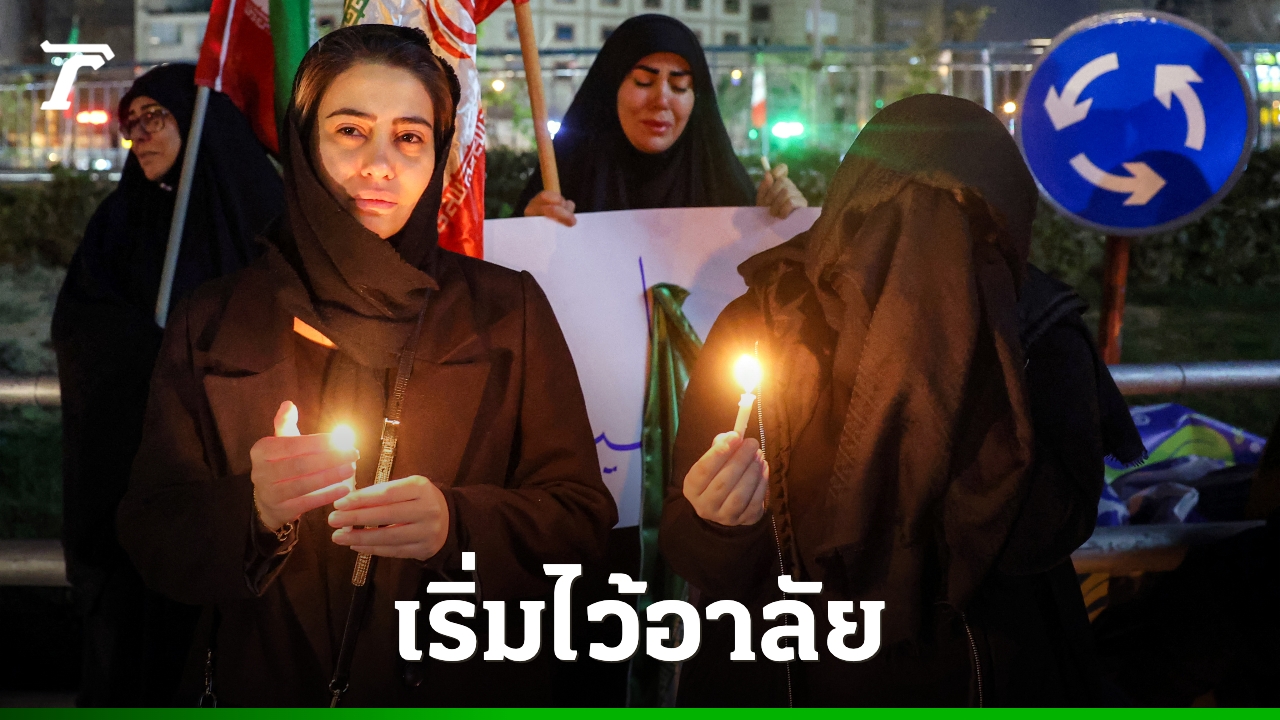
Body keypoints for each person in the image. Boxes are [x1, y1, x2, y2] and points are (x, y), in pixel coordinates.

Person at [116, 25, 616, 706]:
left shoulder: (505, 312)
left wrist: (457, 525)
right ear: (303, 142)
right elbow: (150, 531)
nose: (380, 165)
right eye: (350, 131)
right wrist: (253, 510)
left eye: (410, 137)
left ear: (438, 153)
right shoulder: (216, 319)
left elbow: (581, 521)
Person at [659, 94, 1144, 706]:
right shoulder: (766, 325)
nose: (926, 248)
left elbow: (1051, 530)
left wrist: (974, 389)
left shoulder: (1038, 336)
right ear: (852, 209)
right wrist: (719, 522)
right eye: (895, 211)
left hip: (986, 679)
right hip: (789, 675)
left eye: (962, 218)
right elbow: (690, 537)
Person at [51, 63, 284, 706]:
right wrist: (149, 351)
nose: (141, 135)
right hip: (133, 478)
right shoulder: (119, 222)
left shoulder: (258, 215)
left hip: (233, 487)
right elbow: (81, 326)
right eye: (132, 122)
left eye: (156, 116)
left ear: (198, 121)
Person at [515, 14, 806, 226]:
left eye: (679, 86)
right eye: (643, 81)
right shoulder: (563, 181)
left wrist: (780, 225)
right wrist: (530, 234)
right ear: (611, 88)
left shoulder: (724, 190)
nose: (662, 100)